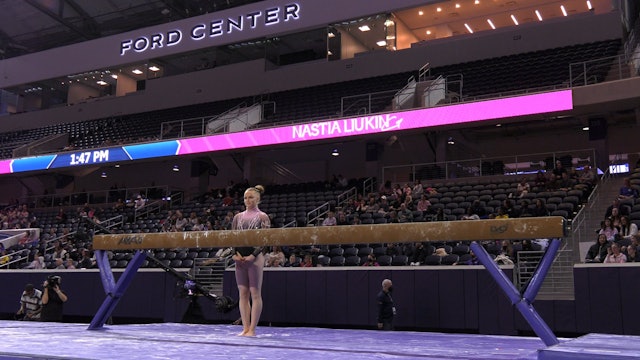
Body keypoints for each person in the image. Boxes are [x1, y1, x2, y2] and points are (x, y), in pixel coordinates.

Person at [231, 185, 270, 337]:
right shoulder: (237, 217)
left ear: (258, 199)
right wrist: (234, 254)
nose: (248, 200)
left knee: (255, 293)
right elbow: (232, 237)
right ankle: (245, 328)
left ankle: (252, 329)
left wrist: (253, 255)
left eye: (251, 197)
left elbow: (265, 240)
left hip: (255, 258)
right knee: (243, 293)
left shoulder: (262, 217)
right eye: (246, 197)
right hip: (239, 258)